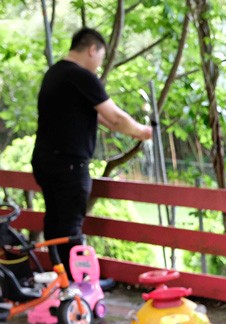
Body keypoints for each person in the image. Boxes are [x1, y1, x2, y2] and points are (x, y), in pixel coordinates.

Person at [30, 27, 153, 267]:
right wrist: (143, 131)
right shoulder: (82, 77)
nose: (99, 63)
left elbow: (104, 119)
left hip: (45, 162)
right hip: (69, 165)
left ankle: (59, 280)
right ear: (92, 49)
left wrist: (131, 128)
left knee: (55, 223)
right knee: (70, 228)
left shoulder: (54, 73)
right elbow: (115, 117)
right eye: (101, 57)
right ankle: (77, 287)